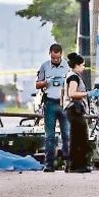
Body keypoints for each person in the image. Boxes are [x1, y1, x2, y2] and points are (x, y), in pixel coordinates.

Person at [35, 43, 70, 172]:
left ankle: (68, 163)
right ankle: (49, 164)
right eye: (53, 58)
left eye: (58, 58)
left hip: (63, 104)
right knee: (49, 136)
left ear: (61, 55)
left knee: (66, 134)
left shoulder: (67, 66)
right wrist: (46, 82)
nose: (55, 60)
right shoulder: (44, 66)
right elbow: (37, 84)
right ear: (50, 54)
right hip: (49, 103)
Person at [63, 53, 99, 173]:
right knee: (80, 137)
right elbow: (72, 93)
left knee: (76, 137)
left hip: (73, 110)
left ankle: (73, 165)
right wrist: (88, 93)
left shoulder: (71, 75)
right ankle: (77, 165)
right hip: (74, 109)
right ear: (77, 65)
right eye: (82, 65)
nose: (84, 68)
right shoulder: (73, 77)